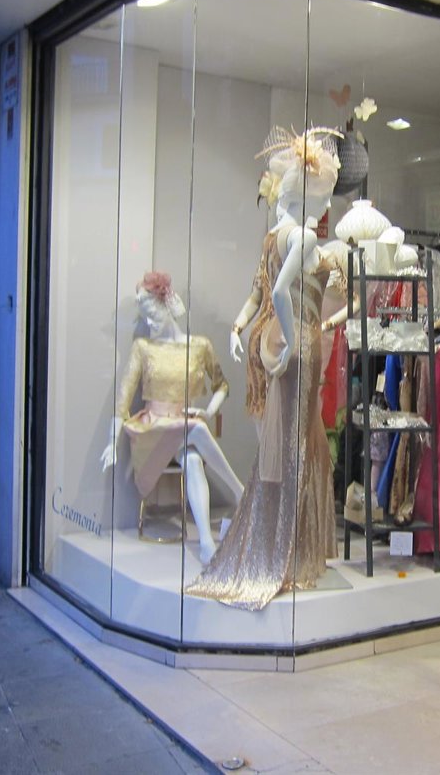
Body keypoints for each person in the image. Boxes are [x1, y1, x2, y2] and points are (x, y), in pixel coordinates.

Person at [187, 126, 341, 610]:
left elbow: (263, 292)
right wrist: (294, 339)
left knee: (287, 446)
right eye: (323, 195)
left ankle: (283, 547)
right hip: (298, 344)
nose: (324, 204)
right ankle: (285, 552)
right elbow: (274, 292)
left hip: (284, 341)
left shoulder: (275, 237)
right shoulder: (303, 237)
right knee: (295, 447)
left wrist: (239, 327)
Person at [101, 273, 243, 563]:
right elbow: (123, 399)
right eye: (143, 314)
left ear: (166, 304)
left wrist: (208, 411)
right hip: (151, 429)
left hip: (182, 427)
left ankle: (206, 543)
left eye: (151, 311)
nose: (147, 320)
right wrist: (112, 442)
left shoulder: (199, 346)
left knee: (193, 459)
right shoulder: (143, 348)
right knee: (197, 430)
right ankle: (242, 493)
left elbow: (222, 386)